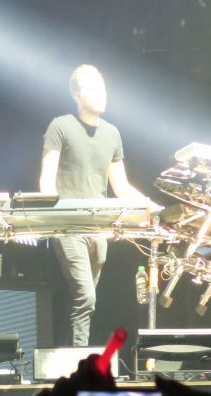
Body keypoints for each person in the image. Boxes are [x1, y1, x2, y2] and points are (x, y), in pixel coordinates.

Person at [39, 65, 158, 346]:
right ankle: (79, 359)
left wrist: (150, 206)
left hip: (99, 229)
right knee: (86, 296)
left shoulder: (112, 134)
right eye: (93, 90)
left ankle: (66, 358)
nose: (102, 94)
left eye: (103, 89)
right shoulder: (60, 126)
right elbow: (46, 180)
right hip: (68, 227)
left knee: (83, 301)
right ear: (77, 95)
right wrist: (51, 217)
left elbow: (121, 187)